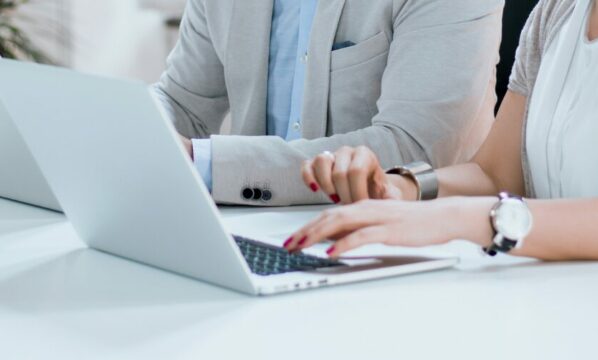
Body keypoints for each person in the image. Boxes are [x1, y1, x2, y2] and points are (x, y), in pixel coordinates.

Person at [285, 0, 598, 289]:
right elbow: (495, 174)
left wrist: (468, 219)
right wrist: (402, 189)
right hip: (595, 322)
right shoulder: (558, 9)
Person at [153, 0, 502, 206]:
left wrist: (208, 164)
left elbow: (414, 148)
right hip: (252, 231)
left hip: (405, 252)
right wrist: (132, 125)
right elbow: (182, 103)